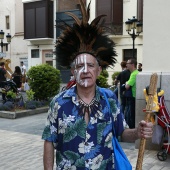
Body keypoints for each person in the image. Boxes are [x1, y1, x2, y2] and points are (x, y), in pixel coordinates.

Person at [42, 1, 153, 169]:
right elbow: (49, 141)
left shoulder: (109, 99)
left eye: (91, 65)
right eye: (79, 66)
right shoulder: (58, 103)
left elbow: (122, 133)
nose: (85, 70)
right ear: (72, 71)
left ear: (99, 71)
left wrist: (137, 132)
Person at [125, 58, 139, 128]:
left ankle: (130, 129)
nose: (126, 65)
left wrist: (126, 83)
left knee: (131, 115)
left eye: (128, 64)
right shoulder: (136, 73)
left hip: (133, 97)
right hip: (134, 96)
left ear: (132, 65)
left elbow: (127, 86)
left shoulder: (134, 74)